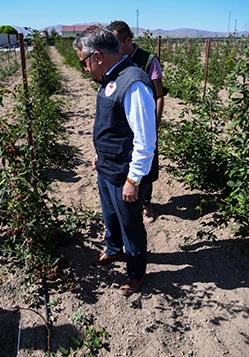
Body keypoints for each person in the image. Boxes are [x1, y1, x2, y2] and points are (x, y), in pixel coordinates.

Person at [73, 25, 157, 296]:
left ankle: (136, 271)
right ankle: (112, 249)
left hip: (124, 172)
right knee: (110, 215)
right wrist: (100, 152)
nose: (84, 69)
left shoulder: (133, 83)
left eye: (84, 62)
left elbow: (145, 140)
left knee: (130, 224)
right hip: (106, 166)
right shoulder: (110, 78)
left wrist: (134, 180)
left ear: (97, 56)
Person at [108, 20, 164, 223]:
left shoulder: (148, 60)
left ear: (127, 40)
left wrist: (153, 128)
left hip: (144, 120)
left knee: (147, 166)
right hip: (123, 125)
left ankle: (146, 203)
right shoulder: (113, 60)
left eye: (115, 42)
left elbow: (159, 96)